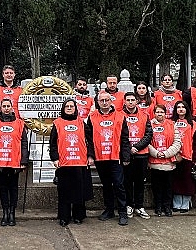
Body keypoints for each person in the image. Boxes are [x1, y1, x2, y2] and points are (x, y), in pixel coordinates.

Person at [86, 91, 130, 225]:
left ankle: (122, 212)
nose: (104, 103)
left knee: (119, 184)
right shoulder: (92, 117)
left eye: (107, 100)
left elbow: (125, 138)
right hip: (100, 158)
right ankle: (109, 210)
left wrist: (126, 156)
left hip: (116, 157)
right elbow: (89, 138)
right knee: (106, 185)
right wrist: (91, 155)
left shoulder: (120, 116)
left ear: (111, 101)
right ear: (97, 102)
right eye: (101, 100)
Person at [50, 99, 94, 226]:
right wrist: (55, 158)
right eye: (67, 106)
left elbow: (90, 141)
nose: (69, 108)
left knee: (79, 191)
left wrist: (90, 156)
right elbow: (53, 143)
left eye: (72, 106)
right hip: (64, 163)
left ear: (76, 108)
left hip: (80, 162)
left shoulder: (82, 123)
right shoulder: (57, 123)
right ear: (63, 108)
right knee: (64, 191)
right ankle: (64, 217)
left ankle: (78, 216)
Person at [0, 98, 29, 226]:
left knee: (14, 188)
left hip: (15, 161)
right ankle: (5, 212)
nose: (6, 108)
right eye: (4, 106)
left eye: (8, 106)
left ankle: (12, 212)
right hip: (0, 161)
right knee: (3, 188)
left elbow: (23, 143)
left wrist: (24, 160)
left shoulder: (20, 123)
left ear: (12, 108)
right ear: (0, 108)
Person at [122, 91, 153, 219]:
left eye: (132, 100)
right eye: (128, 100)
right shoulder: (119, 115)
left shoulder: (145, 115)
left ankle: (140, 206)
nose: (130, 102)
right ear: (124, 101)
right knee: (127, 182)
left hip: (141, 154)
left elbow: (149, 134)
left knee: (140, 182)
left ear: (137, 101)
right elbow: (118, 135)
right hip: (126, 154)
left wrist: (136, 147)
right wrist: (129, 149)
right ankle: (129, 205)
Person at [147, 104, 181, 217]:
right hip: (154, 162)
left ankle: (167, 206)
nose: (159, 114)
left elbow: (177, 142)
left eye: (162, 112)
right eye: (157, 112)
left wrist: (166, 153)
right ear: (154, 113)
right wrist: (156, 153)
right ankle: (158, 206)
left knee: (168, 186)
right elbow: (146, 141)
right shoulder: (149, 124)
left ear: (165, 113)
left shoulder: (172, 124)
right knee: (157, 186)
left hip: (169, 162)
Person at [171, 101, 196, 213]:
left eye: (183, 107)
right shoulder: (170, 123)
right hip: (173, 156)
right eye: (178, 107)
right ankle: (176, 203)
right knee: (175, 180)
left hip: (189, 157)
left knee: (187, 181)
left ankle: (186, 203)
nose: (180, 109)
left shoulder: (193, 123)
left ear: (187, 109)